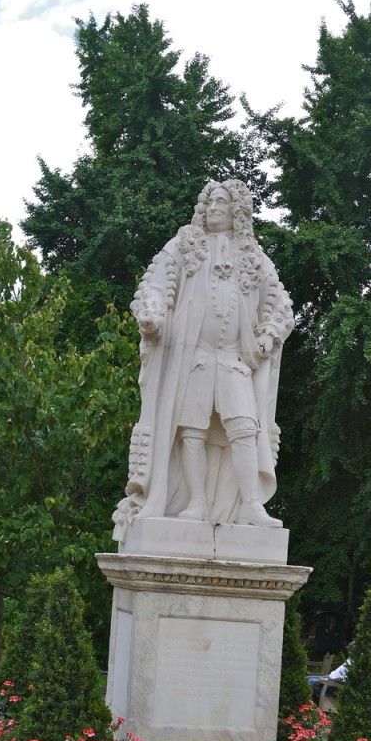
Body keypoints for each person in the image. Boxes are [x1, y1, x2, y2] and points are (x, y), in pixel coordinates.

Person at [113, 179, 296, 539]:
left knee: (244, 428)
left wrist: (268, 333)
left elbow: (280, 306)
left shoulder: (254, 257)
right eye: (209, 201)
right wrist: (152, 313)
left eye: (222, 203)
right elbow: (154, 284)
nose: (212, 208)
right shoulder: (183, 246)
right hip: (193, 356)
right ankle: (195, 501)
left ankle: (250, 504)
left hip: (232, 358)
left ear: (236, 211)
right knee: (191, 429)